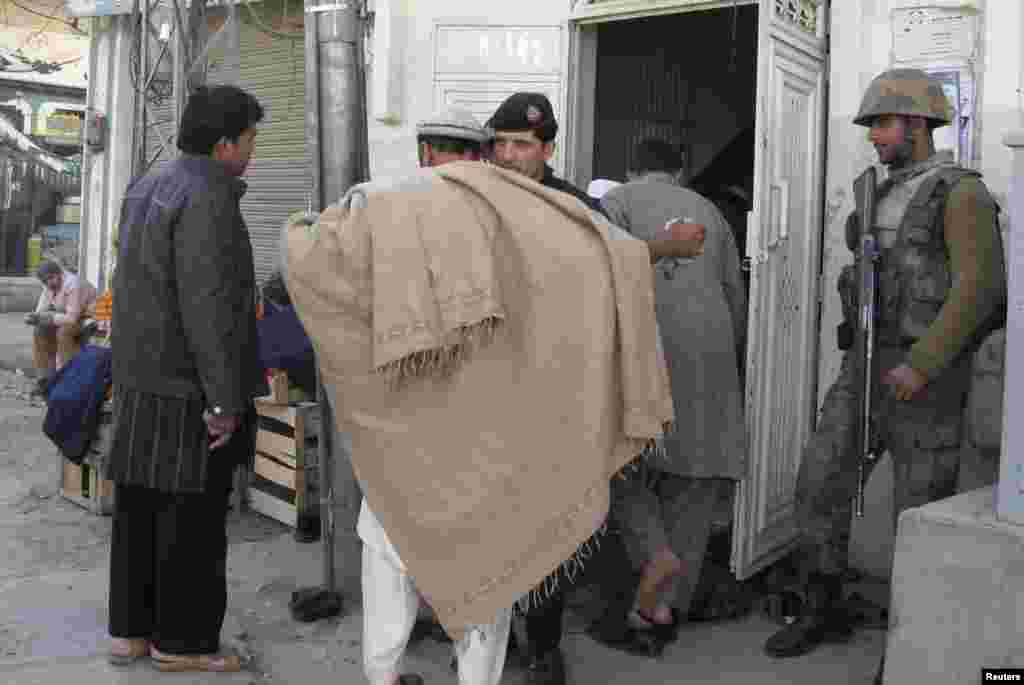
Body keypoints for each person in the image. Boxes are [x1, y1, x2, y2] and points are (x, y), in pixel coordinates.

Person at [761, 69, 1007, 685]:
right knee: (819, 484)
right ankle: (821, 606)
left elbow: (981, 291)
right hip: (866, 365)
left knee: (917, 512)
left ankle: (912, 648)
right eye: (871, 125)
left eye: (882, 124)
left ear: (917, 124)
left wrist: (922, 364)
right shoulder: (874, 191)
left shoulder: (961, 193)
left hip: (929, 378)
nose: (873, 136)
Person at [485, 93, 703, 685]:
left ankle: (544, 647)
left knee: (551, 528)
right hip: (485, 391)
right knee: (490, 522)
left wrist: (662, 248)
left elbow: (617, 261)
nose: (508, 156)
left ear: (547, 149)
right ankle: (492, 637)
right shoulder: (472, 199)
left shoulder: (577, 208)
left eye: (522, 145)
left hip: (554, 391)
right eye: (500, 143)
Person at [104, 85, 268, 673]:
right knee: (191, 522)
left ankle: (129, 633)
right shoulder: (211, 197)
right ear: (225, 143)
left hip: (141, 380)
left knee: (138, 511)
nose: (253, 151)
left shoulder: (149, 184)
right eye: (250, 138)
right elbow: (210, 307)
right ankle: (183, 641)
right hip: (187, 389)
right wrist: (224, 400)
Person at [357, 107, 504, 685]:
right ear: (480, 157)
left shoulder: (382, 210)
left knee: (389, 552)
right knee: (488, 565)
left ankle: (383, 675)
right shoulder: (506, 220)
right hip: (481, 418)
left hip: (403, 414)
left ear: (424, 153)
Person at [600, 138, 747, 637]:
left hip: (645, 349)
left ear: (629, 169)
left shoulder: (614, 204)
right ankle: (667, 606)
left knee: (622, 464)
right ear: (680, 170)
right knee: (697, 481)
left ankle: (653, 557)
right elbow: (735, 297)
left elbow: (596, 275)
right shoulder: (711, 211)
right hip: (711, 351)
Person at [24, 259, 97, 393]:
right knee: (39, 330)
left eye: (51, 279)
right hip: (66, 315)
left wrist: (50, 318)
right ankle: (45, 380)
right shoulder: (49, 285)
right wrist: (34, 317)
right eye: (45, 281)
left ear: (59, 274)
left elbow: (72, 318)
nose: (49, 283)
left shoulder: (73, 284)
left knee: (64, 332)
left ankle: (67, 379)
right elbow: (41, 310)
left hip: (87, 318)